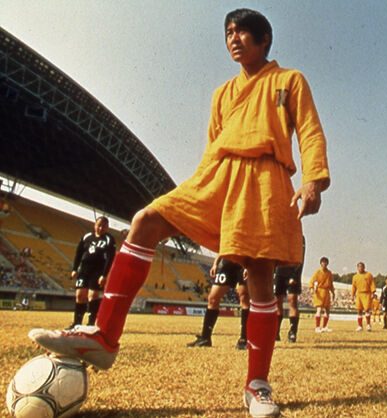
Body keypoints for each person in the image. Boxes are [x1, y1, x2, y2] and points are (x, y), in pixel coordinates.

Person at [29, 9, 330, 417]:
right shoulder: (222, 94)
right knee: (145, 220)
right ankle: (104, 336)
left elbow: (310, 130)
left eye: (243, 31)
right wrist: (199, 186)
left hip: (266, 177)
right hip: (217, 174)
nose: (233, 38)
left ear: (264, 40)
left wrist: (313, 181)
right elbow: (212, 144)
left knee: (260, 274)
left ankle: (257, 385)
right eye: (228, 32)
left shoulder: (289, 80)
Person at [187, 256, 250, 350]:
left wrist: (249, 265)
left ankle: (244, 339)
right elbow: (222, 248)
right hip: (227, 263)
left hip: (244, 262)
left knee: (244, 299)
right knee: (212, 298)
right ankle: (205, 338)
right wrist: (215, 263)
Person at [69, 217, 116, 329]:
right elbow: (78, 253)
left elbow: (110, 258)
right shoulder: (87, 237)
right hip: (84, 270)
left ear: (107, 227)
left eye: (104, 226)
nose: (101, 228)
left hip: (98, 271)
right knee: (80, 295)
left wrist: (104, 275)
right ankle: (77, 323)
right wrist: (74, 269)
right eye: (99, 225)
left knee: (93, 296)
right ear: (95, 225)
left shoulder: (109, 239)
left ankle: (90, 324)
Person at [274, 238, 305, 343]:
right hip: (279, 272)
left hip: (292, 272)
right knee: (277, 301)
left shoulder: (299, 237)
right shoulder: (279, 236)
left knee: (292, 300)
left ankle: (292, 332)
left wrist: (295, 275)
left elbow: (301, 258)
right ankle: (276, 331)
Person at [310, 256, 335, 332]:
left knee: (327, 310)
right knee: (319, 309)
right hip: (319, 291)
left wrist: (333, 292)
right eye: (323, 263)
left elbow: (331, 284)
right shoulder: (317, 272)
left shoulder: (329, 273)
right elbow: (312, 281)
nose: (324, 264)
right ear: (321, 263)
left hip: (326, 292)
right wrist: (311, 288)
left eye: (325, 263)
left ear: (327, 264)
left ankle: (324, 326)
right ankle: (317, 327)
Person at [351, 262, 376, 331]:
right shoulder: (355, 277)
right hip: (359, 294)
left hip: (366, 294)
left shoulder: (368, 275)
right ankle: (360, 326)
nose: (360, 268)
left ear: (364, 267)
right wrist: (352, 295)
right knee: (359, 310)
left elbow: (372, 284)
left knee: (366, 309)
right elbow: (354, 286)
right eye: (359, 267)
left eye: (361, 267)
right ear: (357, 268)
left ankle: (368, 325)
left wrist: (373, 292)